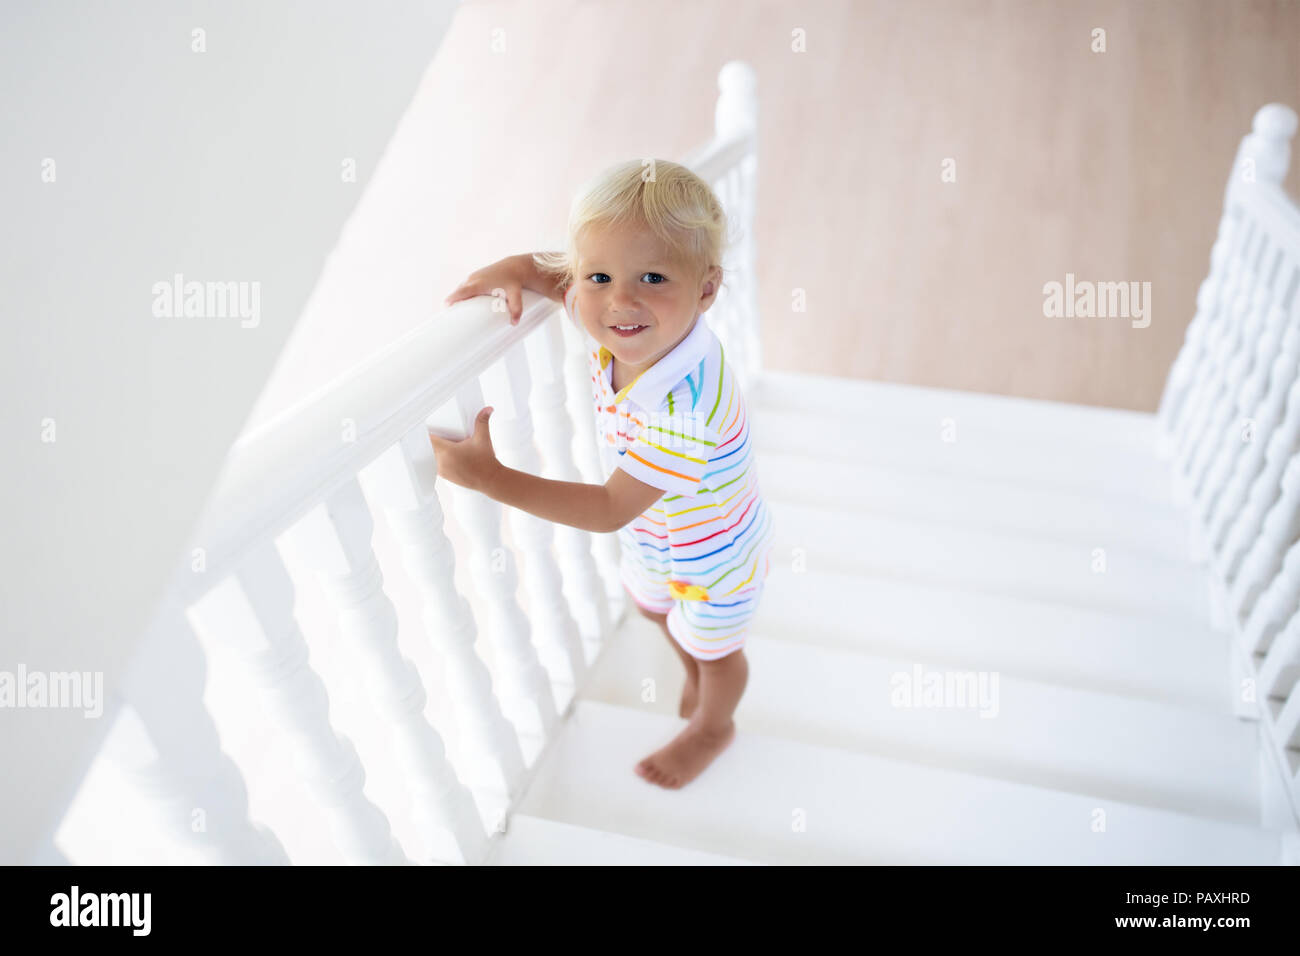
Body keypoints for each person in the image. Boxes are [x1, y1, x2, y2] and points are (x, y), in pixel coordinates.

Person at [436, 158, 775, 789]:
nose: (621, 300)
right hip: (658, 533)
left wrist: (492, 478)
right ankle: (692, 667)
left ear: (706, 289)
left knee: (718, 651)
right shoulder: (624, 324)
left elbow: (608, 508)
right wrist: (517, 267)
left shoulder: (685, 404)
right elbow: (561, 271)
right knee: (652, 612)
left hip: (715, 552)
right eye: (599, 277)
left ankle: (713, 725)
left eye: (653, 276)